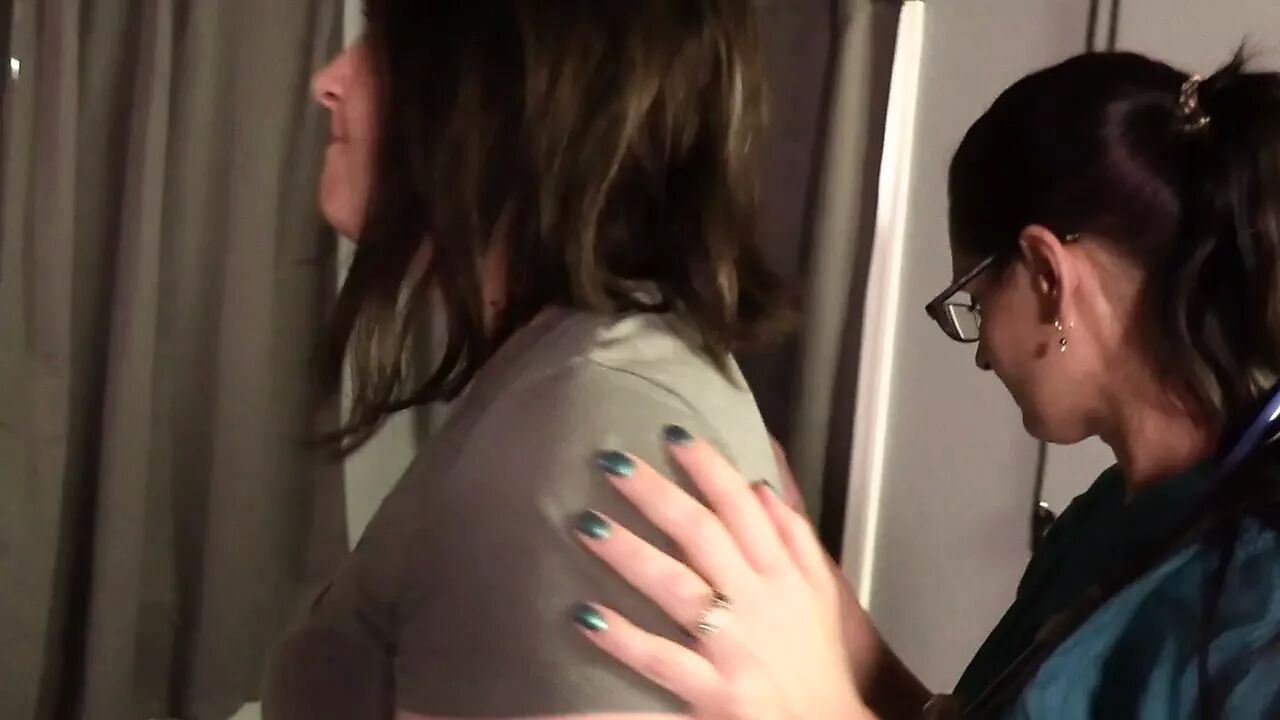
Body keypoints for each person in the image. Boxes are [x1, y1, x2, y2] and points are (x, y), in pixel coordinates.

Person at [565, 51, 1280, 719]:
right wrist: (824, 611)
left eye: (975, 302)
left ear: (1045, 275)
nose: (983, 354)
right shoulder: (1106, 519)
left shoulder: (1263, 584)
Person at [261, 1, 794, 718]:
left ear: (516, 91)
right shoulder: (571, 374)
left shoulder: (593, 437)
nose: (328, 82)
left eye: (383, 43)